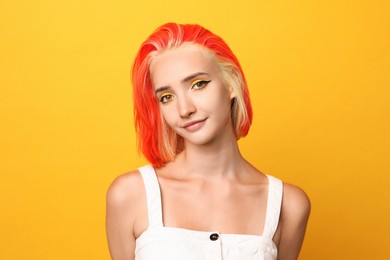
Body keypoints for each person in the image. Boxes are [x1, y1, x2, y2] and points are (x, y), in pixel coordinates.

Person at [106, 22, 310, 260]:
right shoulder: (129, 194)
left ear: (231, 83)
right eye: (166, 97)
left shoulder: (289, 205)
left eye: (198, 84)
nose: (184, 109)